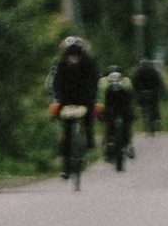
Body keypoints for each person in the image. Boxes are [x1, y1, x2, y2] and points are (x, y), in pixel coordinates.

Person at [48, 36, 99, 175]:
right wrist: (56, 100)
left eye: (77, 54)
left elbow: (95, 82)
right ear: (66, 54)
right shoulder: (60, 65)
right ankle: (65, 167)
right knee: (66, 131)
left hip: (85, 98)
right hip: (66, 99)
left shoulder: (89, 64)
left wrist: (94, 99)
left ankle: (89, 139)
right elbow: (54, 84)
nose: (74, 57)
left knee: (90, 116)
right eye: (71, 54)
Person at [100, 67, 136, 164]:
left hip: (121, 111)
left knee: (121, 128)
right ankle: (112, 148)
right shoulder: (109, 88)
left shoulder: (122, 87)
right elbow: (105, 103)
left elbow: (129, 102)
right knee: (110, 129)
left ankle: (127, 145)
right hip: (114, 112)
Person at [133, 58, 164, 135]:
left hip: (144, 93)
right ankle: (156, 119)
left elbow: (135, 83)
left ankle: (148, 119)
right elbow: (158, 82)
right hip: (151, 92)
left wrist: (137, 93)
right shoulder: (153, 71)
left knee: (145, 108)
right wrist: (158, 91)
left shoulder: (138, 72)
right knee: (154, 107)